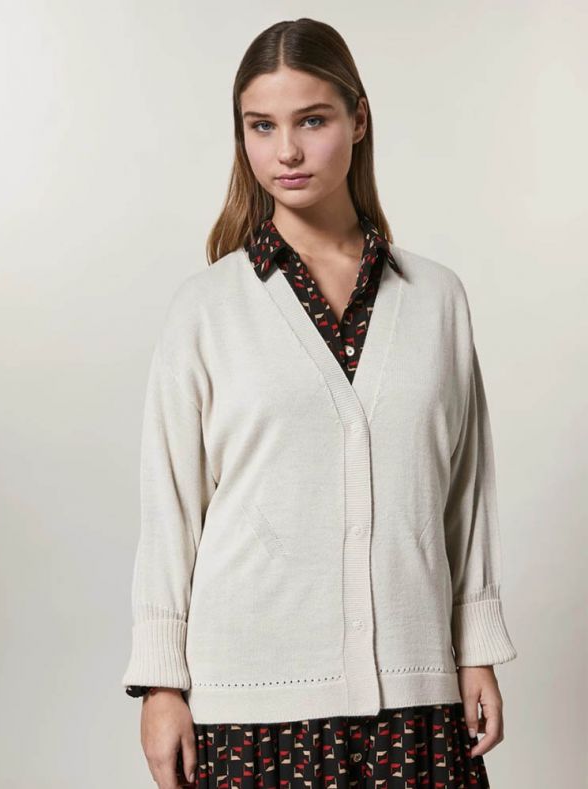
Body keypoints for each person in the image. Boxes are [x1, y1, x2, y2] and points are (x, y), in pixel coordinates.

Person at [121, 17, 518, 789]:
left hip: (415, 692)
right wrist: (161, 683)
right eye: (261, 126)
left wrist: (475, 650)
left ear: (358, 119)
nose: (287, 152)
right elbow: (170, 505)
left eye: (312, 120)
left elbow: (466, 493)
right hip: (248, 704)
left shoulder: (436, 299)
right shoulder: (206, 308)